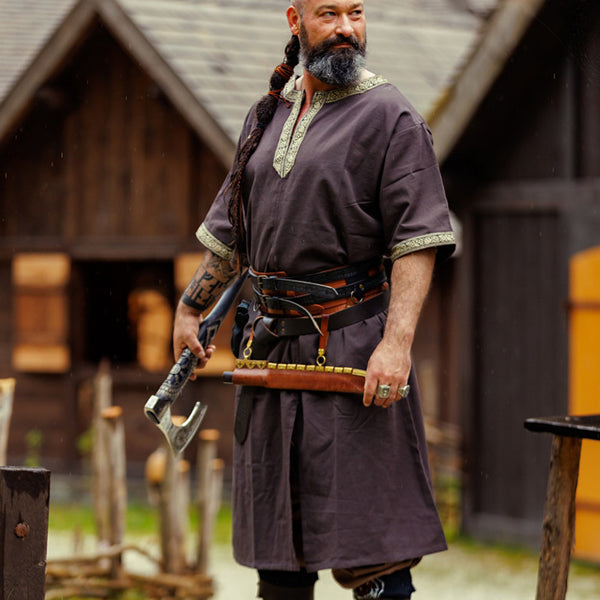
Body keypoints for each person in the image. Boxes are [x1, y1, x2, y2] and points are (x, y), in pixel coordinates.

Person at [173, 1, 456, 598]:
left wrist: (396, 344)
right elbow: (232, 231)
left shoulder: (391, 116)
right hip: (271, 355)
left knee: (374, 553)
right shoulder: (266, 115)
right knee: (279, 554)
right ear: (295, 20)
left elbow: (418, 240)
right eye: (329, 14)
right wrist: (191, 306)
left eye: (356, 12)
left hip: (354, 353)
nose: (348, 29)